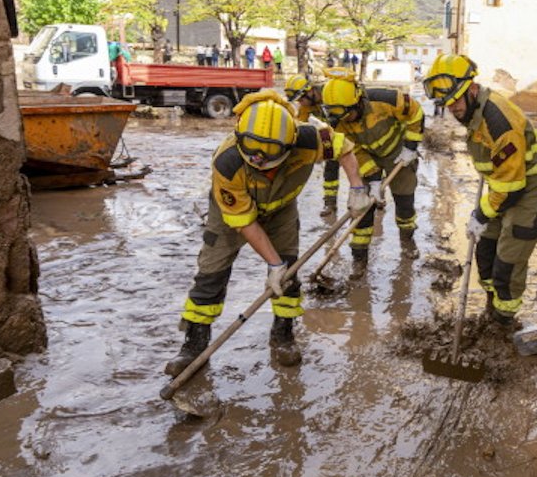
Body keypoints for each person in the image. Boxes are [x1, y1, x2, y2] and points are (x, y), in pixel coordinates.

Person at [165, 90, 370, 374]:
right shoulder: (227, 163)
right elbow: (245, 223)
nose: (260, 161)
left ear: (290, 143)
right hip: (232, 216)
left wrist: (357, 188)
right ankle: (193, 346)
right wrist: (273, 264)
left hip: (282, 209)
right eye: (254, 153)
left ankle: (283, 336)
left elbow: (344, 148)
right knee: (211, 274)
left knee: (288, 274)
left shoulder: (308, 138)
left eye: (269, 154)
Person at [422, 54, 537, 327]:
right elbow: (500, 177)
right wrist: (484, 213)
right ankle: (490, 305)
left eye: (456, 102)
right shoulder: (474, 113)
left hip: (531, 191)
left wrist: (481, 214)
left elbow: (513, 188)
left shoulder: (499, 123)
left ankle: (502, 323)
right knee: (485, 252)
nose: (452, 109)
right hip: (504, 187)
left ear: (472, 89)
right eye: (447, 105)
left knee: (507, 263)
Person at [320, 68, 425, 272]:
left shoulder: (386, 99)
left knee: (405, 203)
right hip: (367, 156)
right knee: (362, 210)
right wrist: (373, 178)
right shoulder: (337, 121)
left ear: (358, 101)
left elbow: (416, 113)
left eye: (348, 113)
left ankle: (407, 241)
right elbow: (352, 150)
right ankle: (359, 258)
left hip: (399, 153)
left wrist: (410, 147)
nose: (346, 119)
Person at [285, 73, 340, 217]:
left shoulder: (331, 94)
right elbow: (299, 126)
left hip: (350, 134)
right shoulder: (305, 107)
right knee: (330, 170)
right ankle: (330, 203)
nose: (300, 103)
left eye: (301, 99)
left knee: (365, 169)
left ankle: (376, 196)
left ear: (309, 91)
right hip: (332, 140)